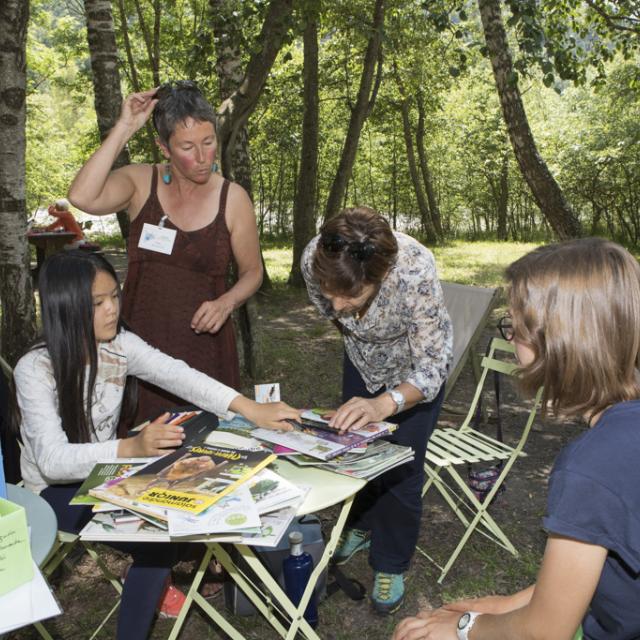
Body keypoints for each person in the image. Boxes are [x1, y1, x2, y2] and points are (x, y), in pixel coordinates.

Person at [11, 250, 298, 640]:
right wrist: (129, 450)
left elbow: (179, 375)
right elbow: (52, 460)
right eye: (98, 303)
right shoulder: (36, 368)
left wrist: (250, 408)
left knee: (180, 514)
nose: (112, 309)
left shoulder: (119, 344)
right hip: (53, 491)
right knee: (158, 537)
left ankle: (147, 578)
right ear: (66, 307)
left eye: (115, 296)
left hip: (109, 471)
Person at [393, 238, 640, 640]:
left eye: (516, 328)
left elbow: (543, 632)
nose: (510, 340)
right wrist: (506, 606)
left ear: (559, 339)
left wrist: (464, 627)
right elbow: (608, 566)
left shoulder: (593, 466)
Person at [68, 80, 262, 426]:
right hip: (139, 343)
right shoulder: (141, 183)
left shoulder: (232, 198)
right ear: (163, 147)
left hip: (205, 347)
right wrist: (124, 127)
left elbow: (253, 272)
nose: (203, 158)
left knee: (207, 451)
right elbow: (82, 197)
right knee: (140, 448)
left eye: (208, 142)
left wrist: (227, 302)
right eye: (188, 146)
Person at [301, 207, 453, 614]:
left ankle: (390, 562)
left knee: (402, 467)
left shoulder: (413, 269)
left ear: (381, 277)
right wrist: (366, 385)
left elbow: (433, 365)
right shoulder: (314, 258)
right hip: (362, 363)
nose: (336, 305)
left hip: (413, 371)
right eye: (330, 292)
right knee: (359, 453)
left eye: (351, 297)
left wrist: (385, 403)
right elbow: (333, 313)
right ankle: (364, 525)